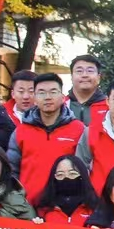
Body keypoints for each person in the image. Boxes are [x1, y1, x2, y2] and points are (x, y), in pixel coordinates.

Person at [8, 72, 85, 203]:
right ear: (35, 98)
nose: (48, 97)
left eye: (53, 92)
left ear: (63, 97)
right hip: (27, 205)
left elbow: (85, 171)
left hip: (64, 206)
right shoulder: (21, 131)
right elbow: (11, 171)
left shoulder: (79, 129)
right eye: (42, 93)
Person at [67, 53, 106, 125]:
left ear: (98, 78)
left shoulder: (110, 106)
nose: (84, 75)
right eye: (79, 71)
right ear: (71, 77)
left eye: (90, 71)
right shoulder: (60, 105)